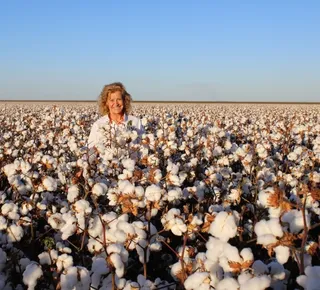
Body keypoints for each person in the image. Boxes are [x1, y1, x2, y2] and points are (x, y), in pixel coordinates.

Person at [88, 82, 143, 149]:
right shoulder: (98, 125)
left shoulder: (135, 122)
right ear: (106, 103)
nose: (116, 103)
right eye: (112, 100)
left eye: (119, 99)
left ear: (124, 101)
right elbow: (90, 151)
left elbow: (143, 149)